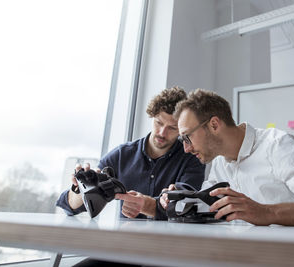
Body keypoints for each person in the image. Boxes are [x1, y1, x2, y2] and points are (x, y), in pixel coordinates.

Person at [165, 88, 294, 227]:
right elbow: (210, 208)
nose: (186, 148)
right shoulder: (220, 162)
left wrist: (266, 212)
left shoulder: (278, 145)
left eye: (187, 137)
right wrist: (181, 200)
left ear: (214, 125)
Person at [56, 86, 205, 221]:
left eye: (172, 128)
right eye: (159, 123)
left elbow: (187, 209)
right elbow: (69, 207)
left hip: (170, 246)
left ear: (181, 129)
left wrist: (146, 206)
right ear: (152, 116)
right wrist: (82, 188)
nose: (162, 133)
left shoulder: (192, 158)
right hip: (124, 245)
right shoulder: (122, 155)